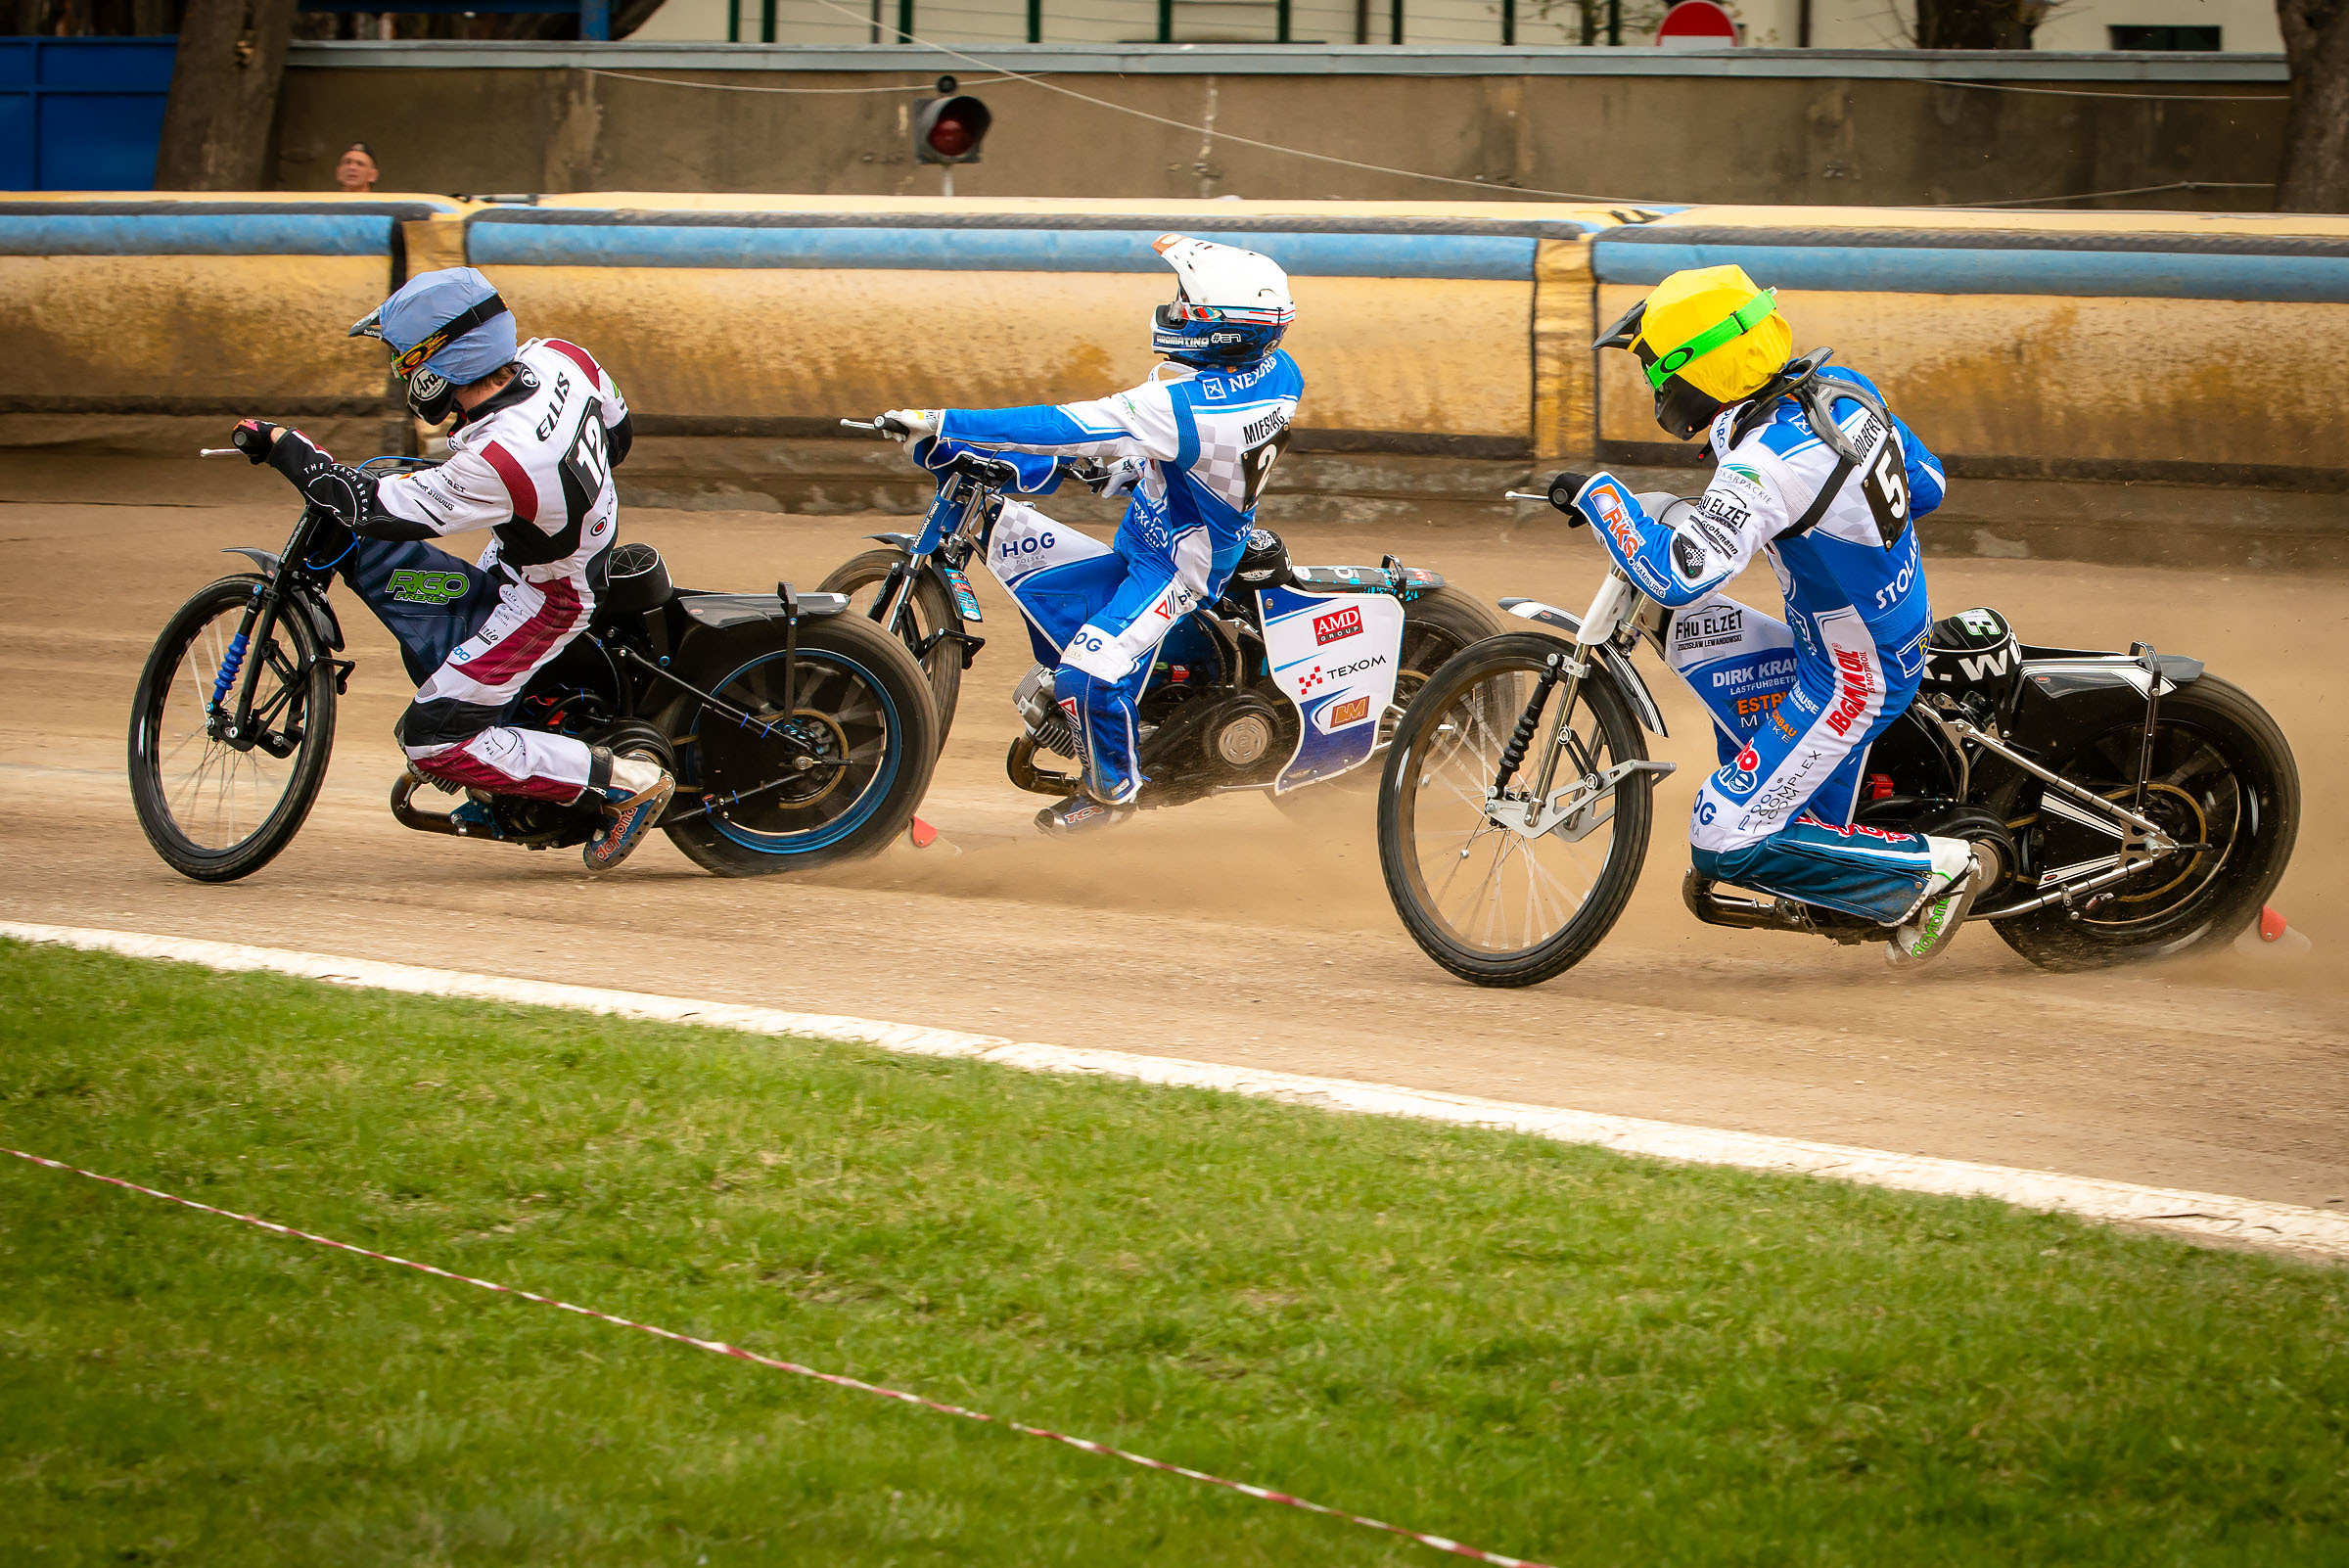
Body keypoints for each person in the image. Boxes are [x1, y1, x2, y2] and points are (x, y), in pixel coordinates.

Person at [1561, 263, 1978, 965]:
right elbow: (1928, 484)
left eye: (1658, 370)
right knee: (1707, 645)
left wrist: (1600, 496)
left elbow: (1676, 574)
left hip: (1851, 676)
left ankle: (1934, 871)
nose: (1655, 387)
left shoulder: (1765, 465)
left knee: (1721, 836)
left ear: (1702, 368)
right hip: (1877, 629)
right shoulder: (1846, 392)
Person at [230, 264, 674, 872]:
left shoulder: (499, 458)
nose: (400, 374)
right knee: (430, 600)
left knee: (431, 739)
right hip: (552, 544)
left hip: (550, 597)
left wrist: (284, 445)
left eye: (403, 361)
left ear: (440, 363)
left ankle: (626, 783)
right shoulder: (559, 356)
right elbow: (619, 437)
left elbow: (363, 505)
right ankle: (510, 761)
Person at [877, 232, 1303, 835]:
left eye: (1186, 303)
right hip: (1160, 528)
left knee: (1087, 673)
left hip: (1178, 567)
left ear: (1222, 329)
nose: (1172, 311)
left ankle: (1112, 795)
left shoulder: (1180, 407)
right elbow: (1197, 455)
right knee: (1046, 591)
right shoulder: (1276, 371)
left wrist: (942, 421)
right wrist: (1132, 466)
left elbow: (1063, 424)